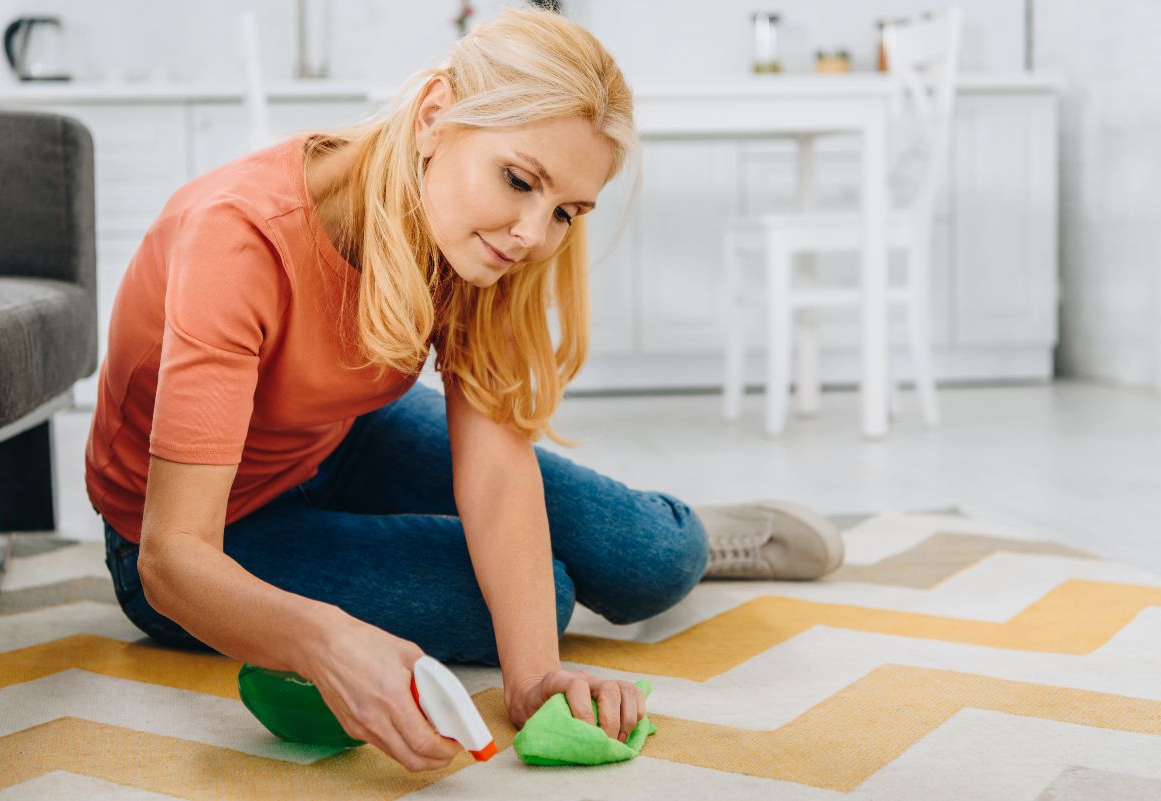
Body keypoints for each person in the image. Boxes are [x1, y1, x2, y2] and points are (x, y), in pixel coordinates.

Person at [86, 6, 842, 774]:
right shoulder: (239, 238)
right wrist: (324, 639)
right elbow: (172, 559)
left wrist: (536, 678)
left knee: (653, 559)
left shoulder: (478, 242)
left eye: (566, 213)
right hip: (202, 530)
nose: (532, 235)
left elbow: (496, 470)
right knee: (539, 598)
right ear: (434, 117)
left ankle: (663, 527)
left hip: (338, 435)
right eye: (518, 180)